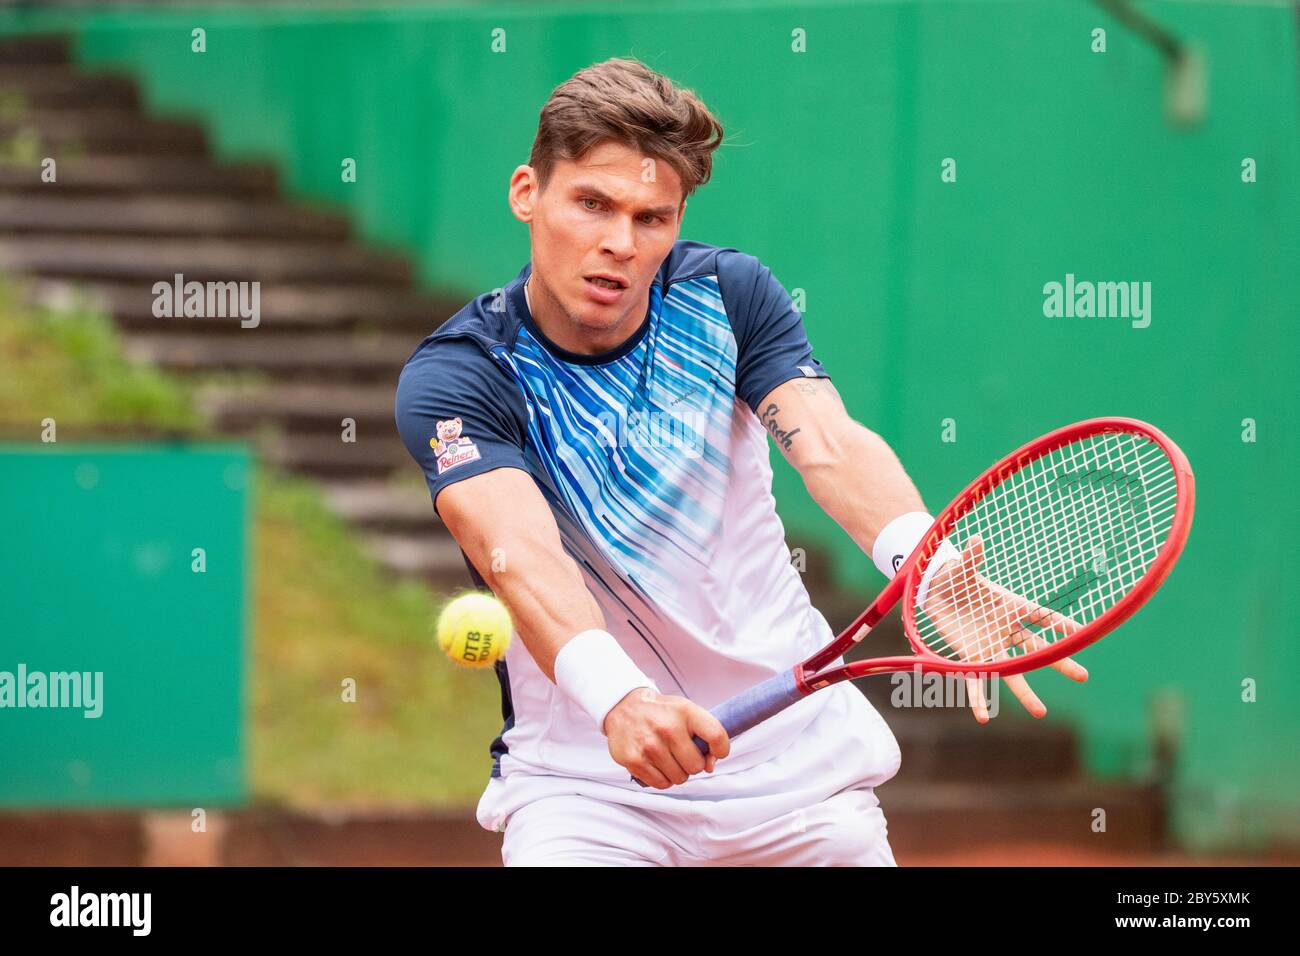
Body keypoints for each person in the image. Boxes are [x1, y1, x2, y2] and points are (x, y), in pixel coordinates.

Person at [395, 57, 1068, 866]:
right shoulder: (462, 376)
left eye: (652, 218)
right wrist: (621, 702)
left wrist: (928, 566)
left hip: (798, 781)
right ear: (526, 194)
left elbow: (826, 443)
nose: (619, 243)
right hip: (591, 792)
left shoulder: (729, 295)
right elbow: (520, 557)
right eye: (592, 204)